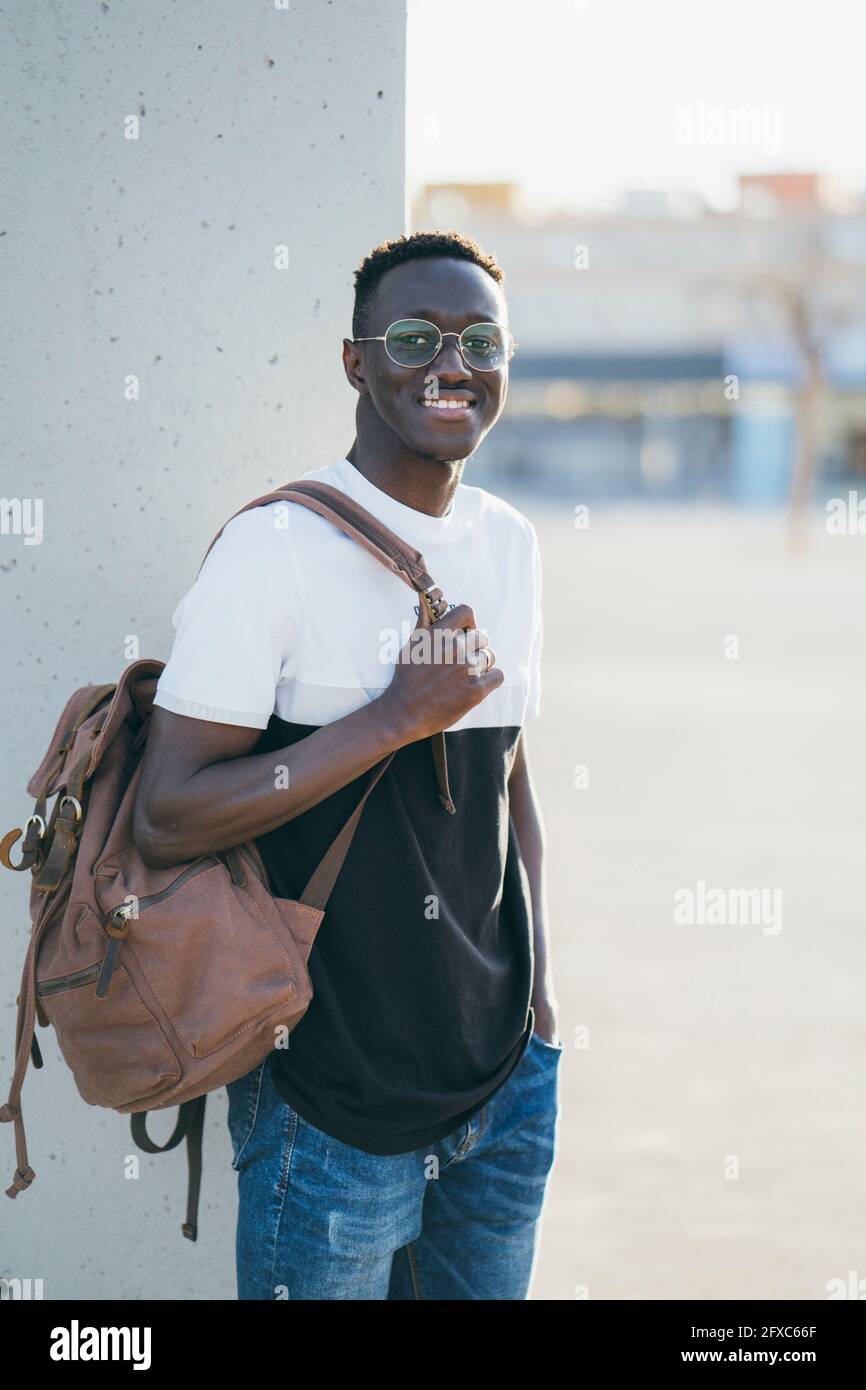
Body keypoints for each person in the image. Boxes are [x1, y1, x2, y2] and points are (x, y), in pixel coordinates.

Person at [133, 230, 562, 1300]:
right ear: (355, 361)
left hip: (500, 1091)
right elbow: (167, 814)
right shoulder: (272, 550)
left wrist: (540, 1001)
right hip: (330, 1104)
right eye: (413, 336)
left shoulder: (508, 542)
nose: (451, 364)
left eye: (480, 340)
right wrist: (390, 719)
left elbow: (511, 782)